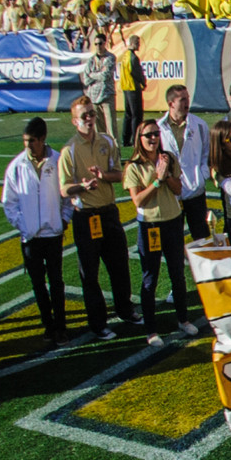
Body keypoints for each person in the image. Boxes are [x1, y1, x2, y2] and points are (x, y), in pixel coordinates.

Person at [56, 95, 136, 341]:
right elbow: (63, 189)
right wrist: (81, 186)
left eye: (92, 114)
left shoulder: (107, 141)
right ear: (74, 121)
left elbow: (119, 174)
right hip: (86, 215)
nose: (90, 119)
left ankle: (125, 309)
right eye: (85, 116)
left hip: (108, 211)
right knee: (90, 273)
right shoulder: (68, 151)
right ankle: (98, 323)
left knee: (119, 265)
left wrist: (102, 176)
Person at [124, 118, 196, 345]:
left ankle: (183, 319)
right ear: (140, 139)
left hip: (172, 221)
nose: (153, 138)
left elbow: (178, 189)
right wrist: (156, 180)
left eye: (156, 134)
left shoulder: (168, 158)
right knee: (150, 277)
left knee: (177, 273)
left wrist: (166, 175)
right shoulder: (133, 166)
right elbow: (138, 201)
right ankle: (151, 329)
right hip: (150, 226)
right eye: (148, 135)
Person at [1, 117, 70, 343]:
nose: (27, 146)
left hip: (53, 234)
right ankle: (48, 325)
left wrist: (63, 220)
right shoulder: (16, 166)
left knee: (56, 281)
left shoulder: (58, 161)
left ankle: (61, 324)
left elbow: (68, 195)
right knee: (38, 284)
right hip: (30, 238)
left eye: (31, 141)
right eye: (25, 141)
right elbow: (9, 203)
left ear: (42, 139)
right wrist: (24, 226)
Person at [158, 85, 213, 242]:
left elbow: (206, 154)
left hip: (196, 191)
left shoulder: (200, 125)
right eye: (182, 99)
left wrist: (202, 176)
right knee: (173, 239)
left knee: (201, 237)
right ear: (171, 104)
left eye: (187, 98)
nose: (187, 102)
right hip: (171, 193)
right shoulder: (159, 127)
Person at [115, 31, 146, 145]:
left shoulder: (125, 55)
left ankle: (125, 138)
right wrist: (142, 81)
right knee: (136, 115)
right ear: (133, 43)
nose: (139, 45)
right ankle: (135, 139)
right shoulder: (133, 57)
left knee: (128, 114)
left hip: (125, 87)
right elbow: (135, 72)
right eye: (137, 43)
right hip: (133, 87)